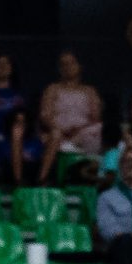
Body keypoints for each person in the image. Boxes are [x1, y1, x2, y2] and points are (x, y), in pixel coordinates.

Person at [34, 49, 102, 183]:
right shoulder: (52, 89)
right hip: (58, 135)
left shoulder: (89, 91)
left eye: (71, 63)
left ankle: (94, 178)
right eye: (64, 64)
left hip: (82, 135)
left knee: (99, 129)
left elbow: (96, 118)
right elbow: (45, 115)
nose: (68, 67)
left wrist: (77, 129)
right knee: (55, 134)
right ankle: (42, 179)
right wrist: (62, 130)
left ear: (79, 66)